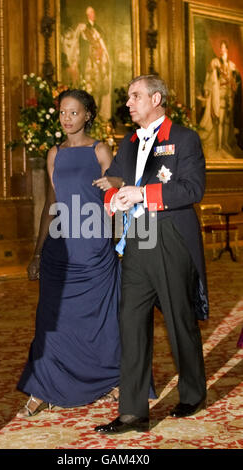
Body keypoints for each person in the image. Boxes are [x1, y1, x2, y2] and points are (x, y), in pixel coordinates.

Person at [94, 75, 209, 434]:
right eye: (128, 96)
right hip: (137, 239)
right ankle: (132, 412)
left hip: (171, 235)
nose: (128, 103)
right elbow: (112, 181)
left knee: (179, 320)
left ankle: (192, 392)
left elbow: (192, 188)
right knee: (130, 322)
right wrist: (114, 198)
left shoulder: (185, 138)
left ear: (156, 98)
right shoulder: (128, 142)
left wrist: (141, 194)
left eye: (135, 96)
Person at [16, 89, 122, 417]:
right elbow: (51, 203)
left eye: (73, 113)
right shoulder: (54, 154)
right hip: (60, 249)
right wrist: (37, 252)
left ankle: (114, 378)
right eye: (62, 112)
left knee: (102, 321)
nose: (66, 118)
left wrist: (120, 242)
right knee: (51, 320)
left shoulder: (100, 150)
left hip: (94, 249)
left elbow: (119, 194)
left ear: (87, 115)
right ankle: (42, 389)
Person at [61, 6, 111, 119]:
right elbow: (80, 47)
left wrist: (101, 56)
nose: (93, 15)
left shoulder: (98, 30)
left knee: (99, 91)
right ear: (87, 15)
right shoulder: (84, 29)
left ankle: (98, 117)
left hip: (98, 66)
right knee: (89, 90)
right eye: (90, 13)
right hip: (89, 66)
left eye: (93, 13)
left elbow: (101, 47)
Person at [198, 40, 242, 156]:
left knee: (227, 122)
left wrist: (234, 81)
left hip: (229, 97)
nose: (222, 50)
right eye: (221, 48)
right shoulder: (215, 62)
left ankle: (225, 143)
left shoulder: (231, 65)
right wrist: (208, 90)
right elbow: (210, 76)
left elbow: (236, 80)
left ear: (227, 50)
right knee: (220, 122)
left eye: (224, 48)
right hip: (218, 96)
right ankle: (219, 145)